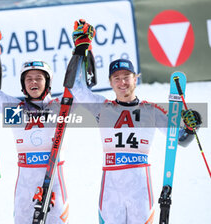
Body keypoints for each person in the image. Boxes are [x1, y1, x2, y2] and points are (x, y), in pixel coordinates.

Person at [68, 20, 202, 224]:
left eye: (127, 77)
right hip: (110, 188)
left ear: (135, 79)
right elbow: (76, 88)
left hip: (140, 186)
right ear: (111, 83)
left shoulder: (151, 111)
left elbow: (180, 140)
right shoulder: (102, 108)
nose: (122, 82)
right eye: (117, 78)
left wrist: (193, 126)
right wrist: (81, 48)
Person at [0, 24, 69, 224]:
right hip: (25, 188)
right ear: (23, 84)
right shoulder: (16, 111)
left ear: (48, 83)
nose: (33, 82)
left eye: (39, 78)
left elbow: (82, 87)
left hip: (55, 185)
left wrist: (83, 50)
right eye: (29, 79)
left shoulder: (60, 107)